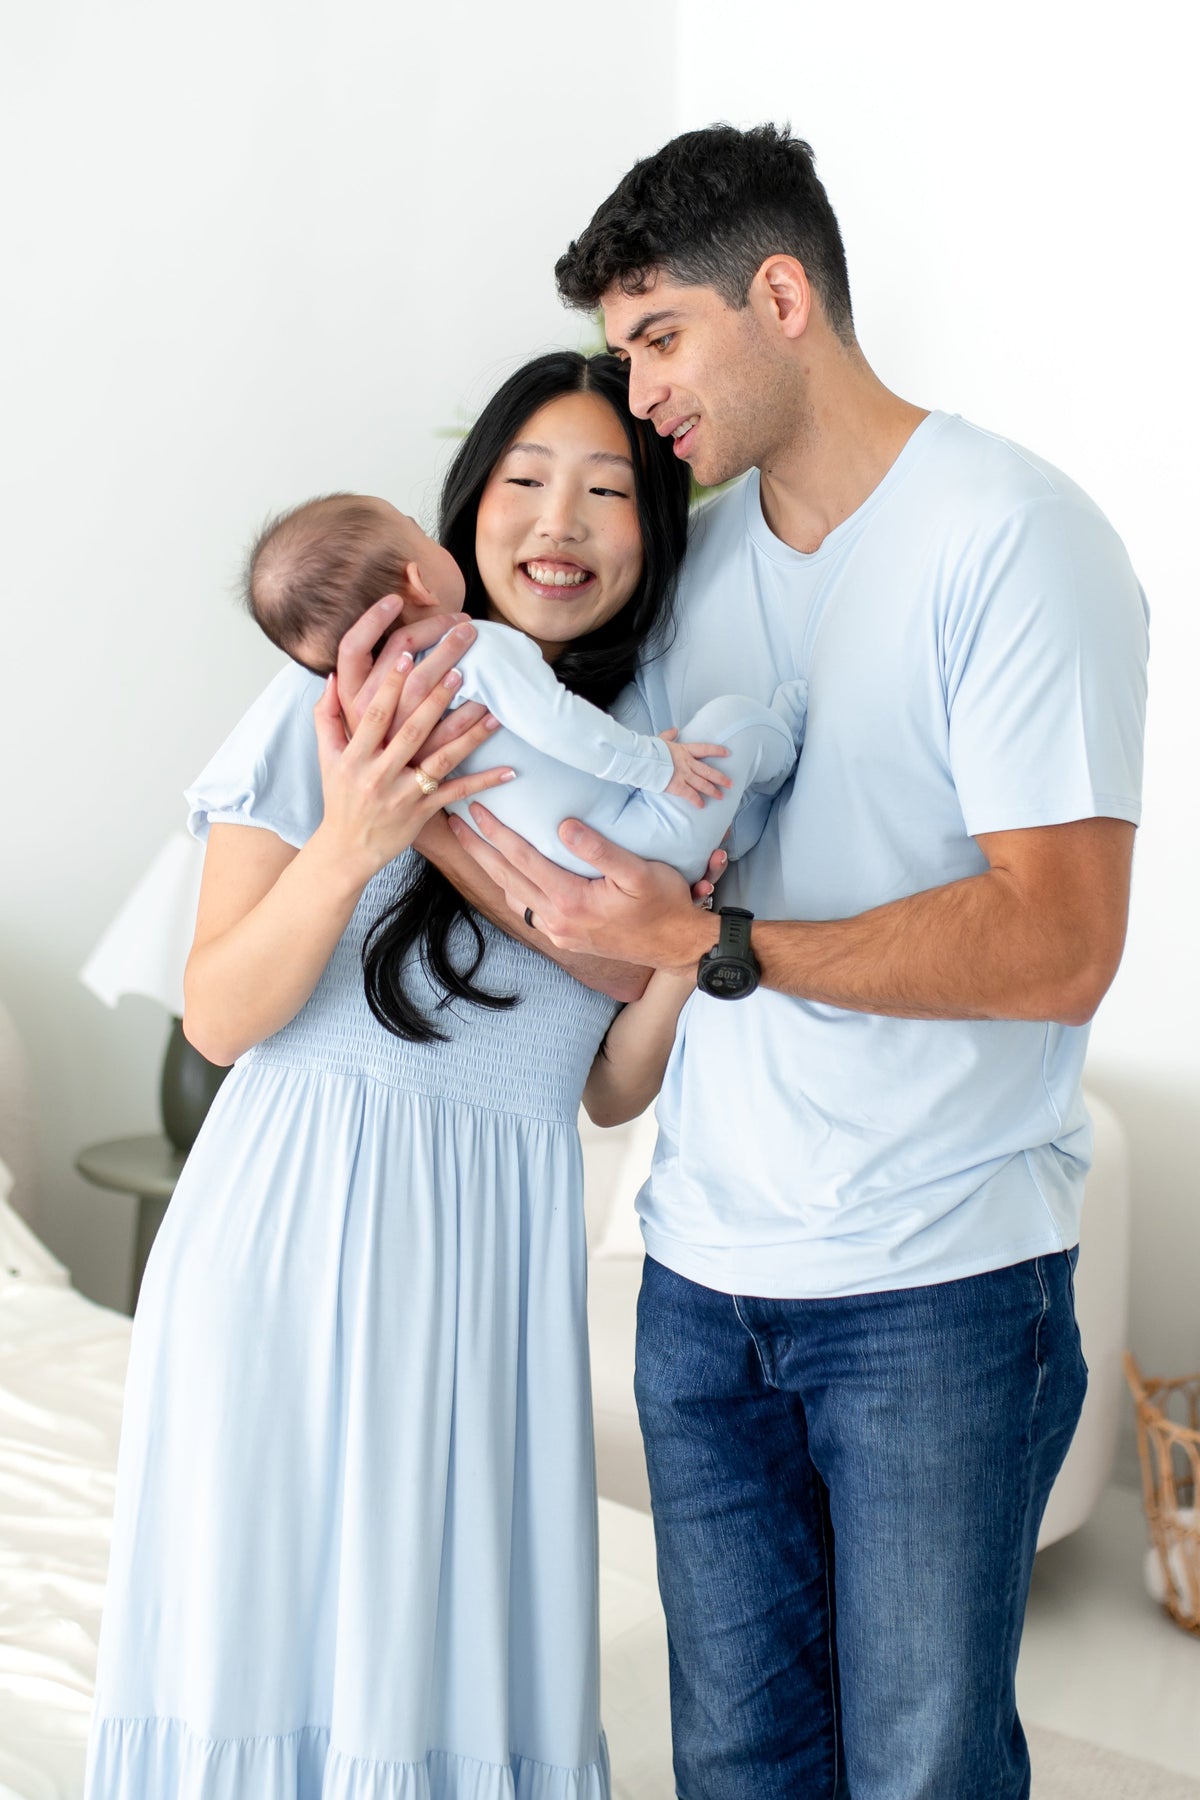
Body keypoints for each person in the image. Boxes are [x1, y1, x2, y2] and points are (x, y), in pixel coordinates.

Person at [448, 126, 1151, 1800]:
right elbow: (590, 834)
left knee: (921, 1769)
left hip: (937, 1286)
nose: (639, 392)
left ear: (783, 296)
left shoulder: (1016, 538)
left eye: (658, 341)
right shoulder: (692, 573)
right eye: (621, 354)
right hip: (701, 1285)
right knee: (739, 1764)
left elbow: (1061, 943)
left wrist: (720, 942)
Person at [84, 351, 702, 1800]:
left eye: (609, 489)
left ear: (655, 527)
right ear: (460, 520)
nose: (562, 522)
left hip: (491, 1251)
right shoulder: (336, 694)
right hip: (290, 1227)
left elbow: (608, 1089)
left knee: (446, 1659)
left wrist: (682, 949)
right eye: (526, 482)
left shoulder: (646, 766)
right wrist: (365, 824)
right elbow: (220, 1014)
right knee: (268, 1643)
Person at [243, 489, 802, 884]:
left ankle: (742, 818)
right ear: (417, 578)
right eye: (421, 533)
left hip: (574, 869)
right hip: (632, 834)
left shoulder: (386, 727)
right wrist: (656, 763)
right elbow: (559, 724)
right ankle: (790, 743)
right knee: (735, 723)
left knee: (712, 789)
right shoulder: (477, 649)